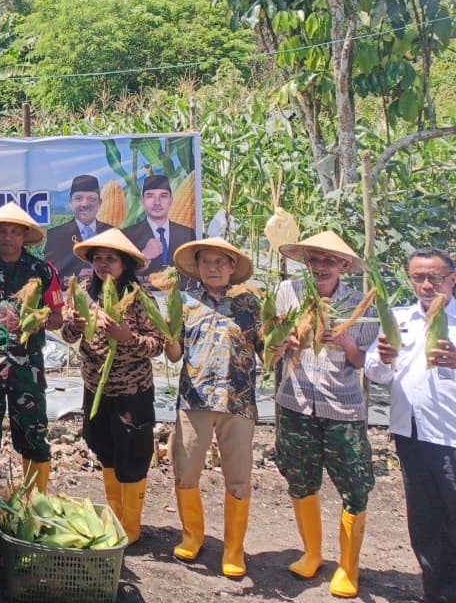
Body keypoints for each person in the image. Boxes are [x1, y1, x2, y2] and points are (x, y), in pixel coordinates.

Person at [274, 231, 378, 597]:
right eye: (314, 259)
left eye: (329, 260)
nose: (321, 266)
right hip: (295, 403)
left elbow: (367, 362)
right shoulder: (288, 292)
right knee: (300, 478)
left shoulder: (360, 304)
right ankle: (312, 553)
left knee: (354, 485)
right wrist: (283, 340)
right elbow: (271, 338)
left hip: (343, 408)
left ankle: (349, 568)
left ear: (344, 266)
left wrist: (349, 344)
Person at [0, 202, 64, 533]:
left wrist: (40, 319)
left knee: (33, 436)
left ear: (24, 235)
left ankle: (31, 512)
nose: (7, 237)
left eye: (14, 231)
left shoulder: (43, 272)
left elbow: (59, 317)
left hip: (27, 371)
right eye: (1, 231)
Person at [60, 228, 167, 545]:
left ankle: (130, 527)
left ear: (125, 264)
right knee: (101, 444)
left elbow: (158, 345)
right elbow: (67, 336)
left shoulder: (140, 298)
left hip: (131, 391)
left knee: (132, 454)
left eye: (111, 259)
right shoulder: (83, 291)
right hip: (94, 388)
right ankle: (115, 515)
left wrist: (127, 338)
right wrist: (74, 327)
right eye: (99, 258)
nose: (104, 264)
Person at [165, 238, 262, 578]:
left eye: (221, 262)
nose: (214, 268)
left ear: (232, 267)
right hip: (195, 401)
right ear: (198, 267)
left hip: (239, 401)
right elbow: (174, 355)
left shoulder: (251, 304)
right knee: (186, 471)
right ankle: (192, 536)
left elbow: (268, 348)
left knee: (238, 478)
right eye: (207, 262)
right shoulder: (186, 303)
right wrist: (168, 335)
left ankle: (234, 549)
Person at [364, 247, 456, 603]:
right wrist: (384, 359)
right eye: (418, 277)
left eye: (435, 277)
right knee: (426, 524)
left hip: (451, 438)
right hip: (412, 435)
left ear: (452, 279)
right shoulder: (398, 318)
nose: (427, 284)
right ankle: (438, 594)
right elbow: (375, 370)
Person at [44, 174, 112, 279]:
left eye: (91, 198)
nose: (85, 204)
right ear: (70, 203)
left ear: (100, 203)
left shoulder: (113, 233)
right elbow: (49, 276)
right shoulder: (56, 236)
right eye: (78, 198)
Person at [122, 174, 194, 272]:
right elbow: (121, 273)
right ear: (142, 201)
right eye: (150, 196)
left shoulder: (187, 234)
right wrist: (144, 256)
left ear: (171, 201)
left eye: (163, 196)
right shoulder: (127, 235)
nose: (157, 202)